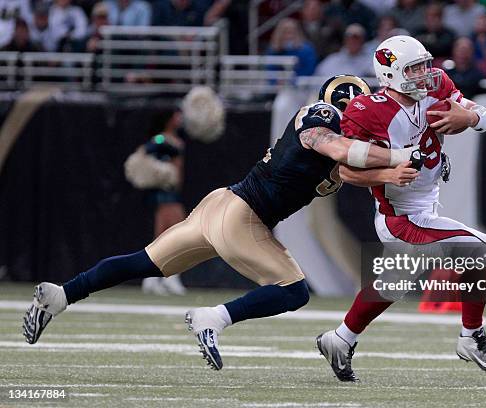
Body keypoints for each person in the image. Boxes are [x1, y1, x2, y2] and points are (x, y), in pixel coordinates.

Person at [23, 75, 422, 371]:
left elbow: (349, 169)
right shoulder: (321, 116)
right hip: (243, 215)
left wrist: (392, 171)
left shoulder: (344, 145)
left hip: (221, 205)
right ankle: (213, 318)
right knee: (294, 291)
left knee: (142, 262)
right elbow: (334, 146)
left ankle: (61, 296)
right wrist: (396, 155)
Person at [316, 35, 486, 382]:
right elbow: (345, 171)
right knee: (485, 251)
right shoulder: (369, 110)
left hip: (425, 207)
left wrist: (466, 117)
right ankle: (472, 337)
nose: (425, 74)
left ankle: (340, 339)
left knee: (392, 284)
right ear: (390, 74)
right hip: (400, 217)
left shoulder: (437, 87)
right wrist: (387, 172)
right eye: (415, 68)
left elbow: (485, 118)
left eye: (425, 64)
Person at [134, 109, 189, 296]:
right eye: (176, 115)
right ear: (168, 119)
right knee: (168, 236)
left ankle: (155, 278)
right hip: (164, 193)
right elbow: (145, 152)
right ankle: (163, 277)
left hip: (174, 192)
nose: (179, 119)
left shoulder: (175, 138)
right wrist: (160, 171)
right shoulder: (160, 139)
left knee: (171, 235)